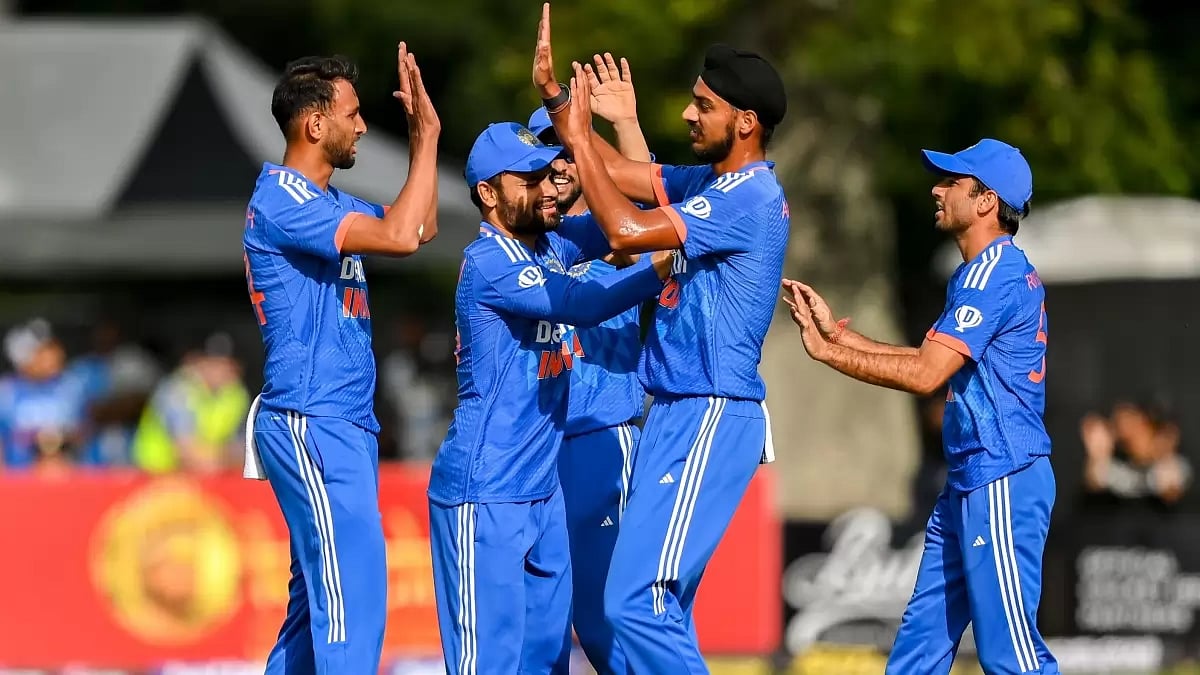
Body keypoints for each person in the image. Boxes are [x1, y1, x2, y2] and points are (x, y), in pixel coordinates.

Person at [532, 5, 789, 671]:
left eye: (702, 105)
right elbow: (624, 178)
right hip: (674, 411)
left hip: (707, 408)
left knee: (635, 602)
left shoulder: (748, 197)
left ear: (745, 122)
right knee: (648, 607)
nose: (686, 115)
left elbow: (624, 229)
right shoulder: (714, 181)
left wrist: (586, 134)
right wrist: (569, 110)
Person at [782, 139, 1058, 674]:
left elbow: (926, 374)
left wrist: (830, 356)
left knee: (1012, 655)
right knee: (918, 650)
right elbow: (926, 357)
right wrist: (833, 337)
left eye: (951, 181)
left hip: (1001, 475)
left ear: (985, 201)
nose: (936, 188)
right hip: (972, 478)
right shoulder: (979, 273)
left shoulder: (991, 273)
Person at [425, 120, 676, 675]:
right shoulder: (491, 261)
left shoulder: (553, 241)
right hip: (484, 492)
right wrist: (663, 264)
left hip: (542, 492)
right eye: (529, 179)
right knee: (486, 664)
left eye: (548, 174)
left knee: (547, 659)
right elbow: (579, 303)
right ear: (489, 195)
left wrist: (600, 134)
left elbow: (624, 224)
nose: (546, 187)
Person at [241, 44, 440, 675]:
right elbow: (403, 237)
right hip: (310, 419)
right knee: (354, 590)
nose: (360, 126)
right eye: (352, 114)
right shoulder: (283, 202)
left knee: (314, 608)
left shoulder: (327, 204)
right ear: (315, 124)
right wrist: (426, 136)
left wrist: (424, 138)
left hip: (340, 422)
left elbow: (422, 224)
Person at [527, 55, 654, 674]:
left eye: (566, 152)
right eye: (541, 158)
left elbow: (659, 198)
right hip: (538, 445)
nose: (555, 170)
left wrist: (625, 125)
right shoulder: (522, 240)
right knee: (549, 624)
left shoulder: (616, 230)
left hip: (604, 435)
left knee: (612, 626)